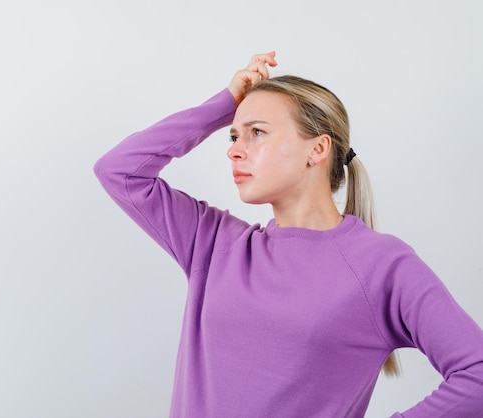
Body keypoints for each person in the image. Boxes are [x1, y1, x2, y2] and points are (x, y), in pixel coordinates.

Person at [93, 51, 483, 417]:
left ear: (317, 150)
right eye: (233, 137)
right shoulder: (213, 243)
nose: (233, 151)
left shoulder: (382, 266)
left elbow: (476, 374)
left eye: (257, 132)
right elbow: (120, 171)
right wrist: (224, 105)